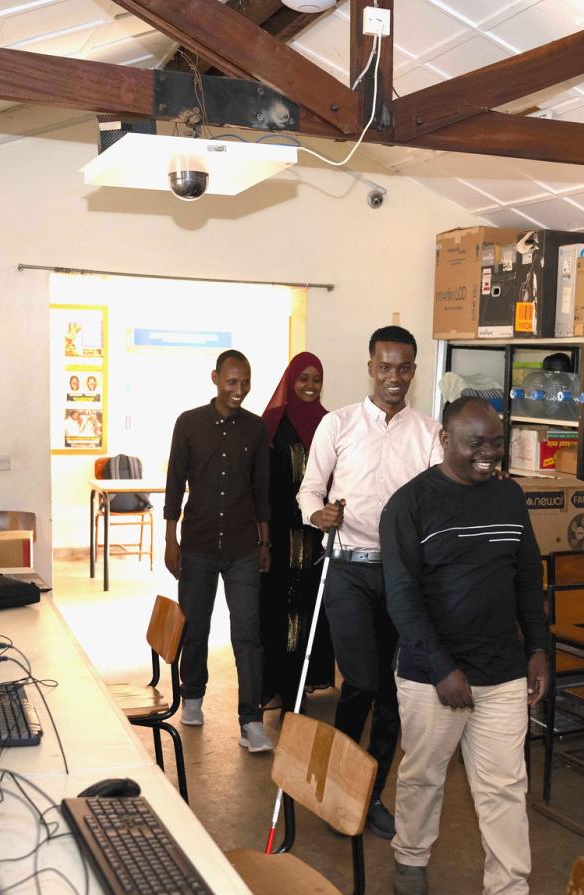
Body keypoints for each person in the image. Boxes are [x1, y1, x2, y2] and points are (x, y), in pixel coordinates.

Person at [381, 396, 550, 895]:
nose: (489, 453)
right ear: (445, 439)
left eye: (496, 443)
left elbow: (526, 577)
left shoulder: (508, 496)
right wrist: (440, 669)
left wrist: (539, 648)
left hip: (502, 669)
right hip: (432, 676)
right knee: (424, 774)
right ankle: (410, 856)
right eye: (476, 442)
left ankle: (507, 892)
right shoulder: (409, 505)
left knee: (504, 783)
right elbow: (402, 597)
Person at [298, 325, 441, 838]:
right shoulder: (337, 425)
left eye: (404, 368)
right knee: (361, 679)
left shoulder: (429, 433)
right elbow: (309, 490)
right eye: (385, 367)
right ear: (370, 367)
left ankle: (368, 793)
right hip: (347, 568)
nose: (394, 378)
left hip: (403, 575)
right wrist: (318, 517)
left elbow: (437, 502)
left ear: (413, 370)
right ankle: (337, 781)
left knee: (394, 690)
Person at [162, 349, 273, 753]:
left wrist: (265, 541)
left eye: (245, 382)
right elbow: (175, 483)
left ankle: (252, 721)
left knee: (248, 634)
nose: (239, 390)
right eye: (231, 381)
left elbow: (262, 490)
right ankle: (192, 697)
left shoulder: (256, 430)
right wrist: (171, 538)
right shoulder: (189, 424)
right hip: (199, 544)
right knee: (195, 626)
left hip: (244, 546)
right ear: (215, 378)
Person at [258, 352, 335, 707]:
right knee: (276, 609)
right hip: (279, 537)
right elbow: (259, 483)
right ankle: (276, 684)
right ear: (290, 381)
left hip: (316, 538)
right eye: (302, 379)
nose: (309, 386)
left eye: (316, 379)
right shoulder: (273, 423)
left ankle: (299, 684)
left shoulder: (329, 423)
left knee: (309, 609)